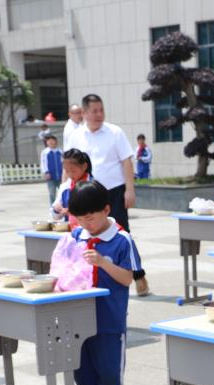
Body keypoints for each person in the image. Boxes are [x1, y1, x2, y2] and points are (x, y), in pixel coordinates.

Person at [67, 180, 142, 385]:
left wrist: (102, 263)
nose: (86, 224)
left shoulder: (121, 239)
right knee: (82, 368)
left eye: (90, 217)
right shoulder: (77, 235)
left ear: (107, 210)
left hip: (109, 318)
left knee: (109, 370)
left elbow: (127, 278)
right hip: (79, 317)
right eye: (80, 219)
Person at [66, 94, 148, 296]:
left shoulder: (114, 132)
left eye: (101, 110)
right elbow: (67, 165)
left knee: (122, 235)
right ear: (84, 113)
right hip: (86, 195)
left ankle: (138, 275)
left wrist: (130, 189)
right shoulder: (75, 135)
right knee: (87, 235)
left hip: (113, 192)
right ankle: (91, 275)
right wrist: (65, 191)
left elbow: (127, 161)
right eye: (94, 111)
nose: (99, 114)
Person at [51, 148, 92, 222]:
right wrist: (56, 210)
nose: (70, 174)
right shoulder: (65, 187)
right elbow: (54, 216)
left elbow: (98, 213)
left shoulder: (93, 186)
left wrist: (74, 212)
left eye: (73, 171)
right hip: (71, 229)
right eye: (66, 171)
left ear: (84, 166)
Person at [39, 132, 62, 205]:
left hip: (61, 176)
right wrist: (46, 172)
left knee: (62, 193)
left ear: (56, 141)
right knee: (52, 193)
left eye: (53, 140)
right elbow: (43, 163)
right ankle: (52, 208)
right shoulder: (45, 152)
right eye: (49, 141)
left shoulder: (60, 152)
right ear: (46, 143)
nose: (51, 142)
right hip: (51, 177)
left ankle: (62, 207)